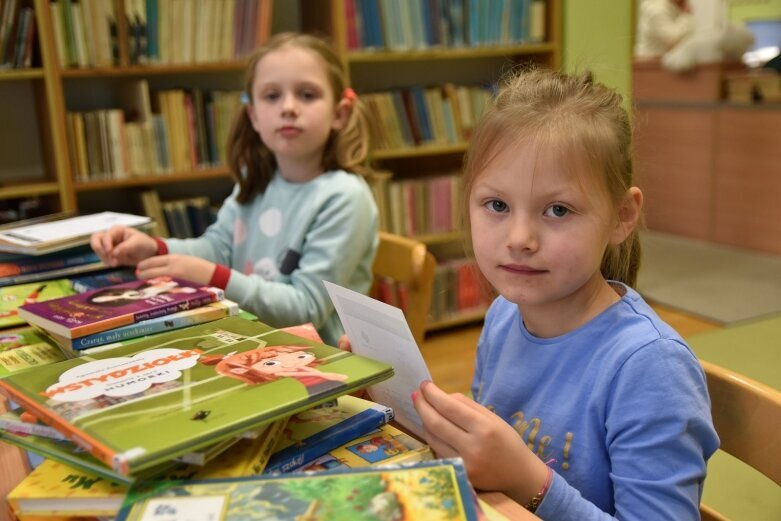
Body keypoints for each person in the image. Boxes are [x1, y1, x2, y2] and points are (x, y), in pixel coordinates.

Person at [409, 68, 719, 519]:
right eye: (497, 205)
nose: (519, 238)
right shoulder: (503, 316)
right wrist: (395, 401)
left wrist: (527, 480)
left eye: (558, 209)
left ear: (621, 216)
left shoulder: (650, 367)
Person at [90, 33, 379, 345]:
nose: (289, 107)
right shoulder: (256, 179)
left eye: (307, 94)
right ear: (253, 115)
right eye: (271, 96)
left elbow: (305, 307)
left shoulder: (345, 197)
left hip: (320, 364)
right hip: (251, 343)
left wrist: (212, 277)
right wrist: (155, 248)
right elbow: (218, 248)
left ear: (340, 113)